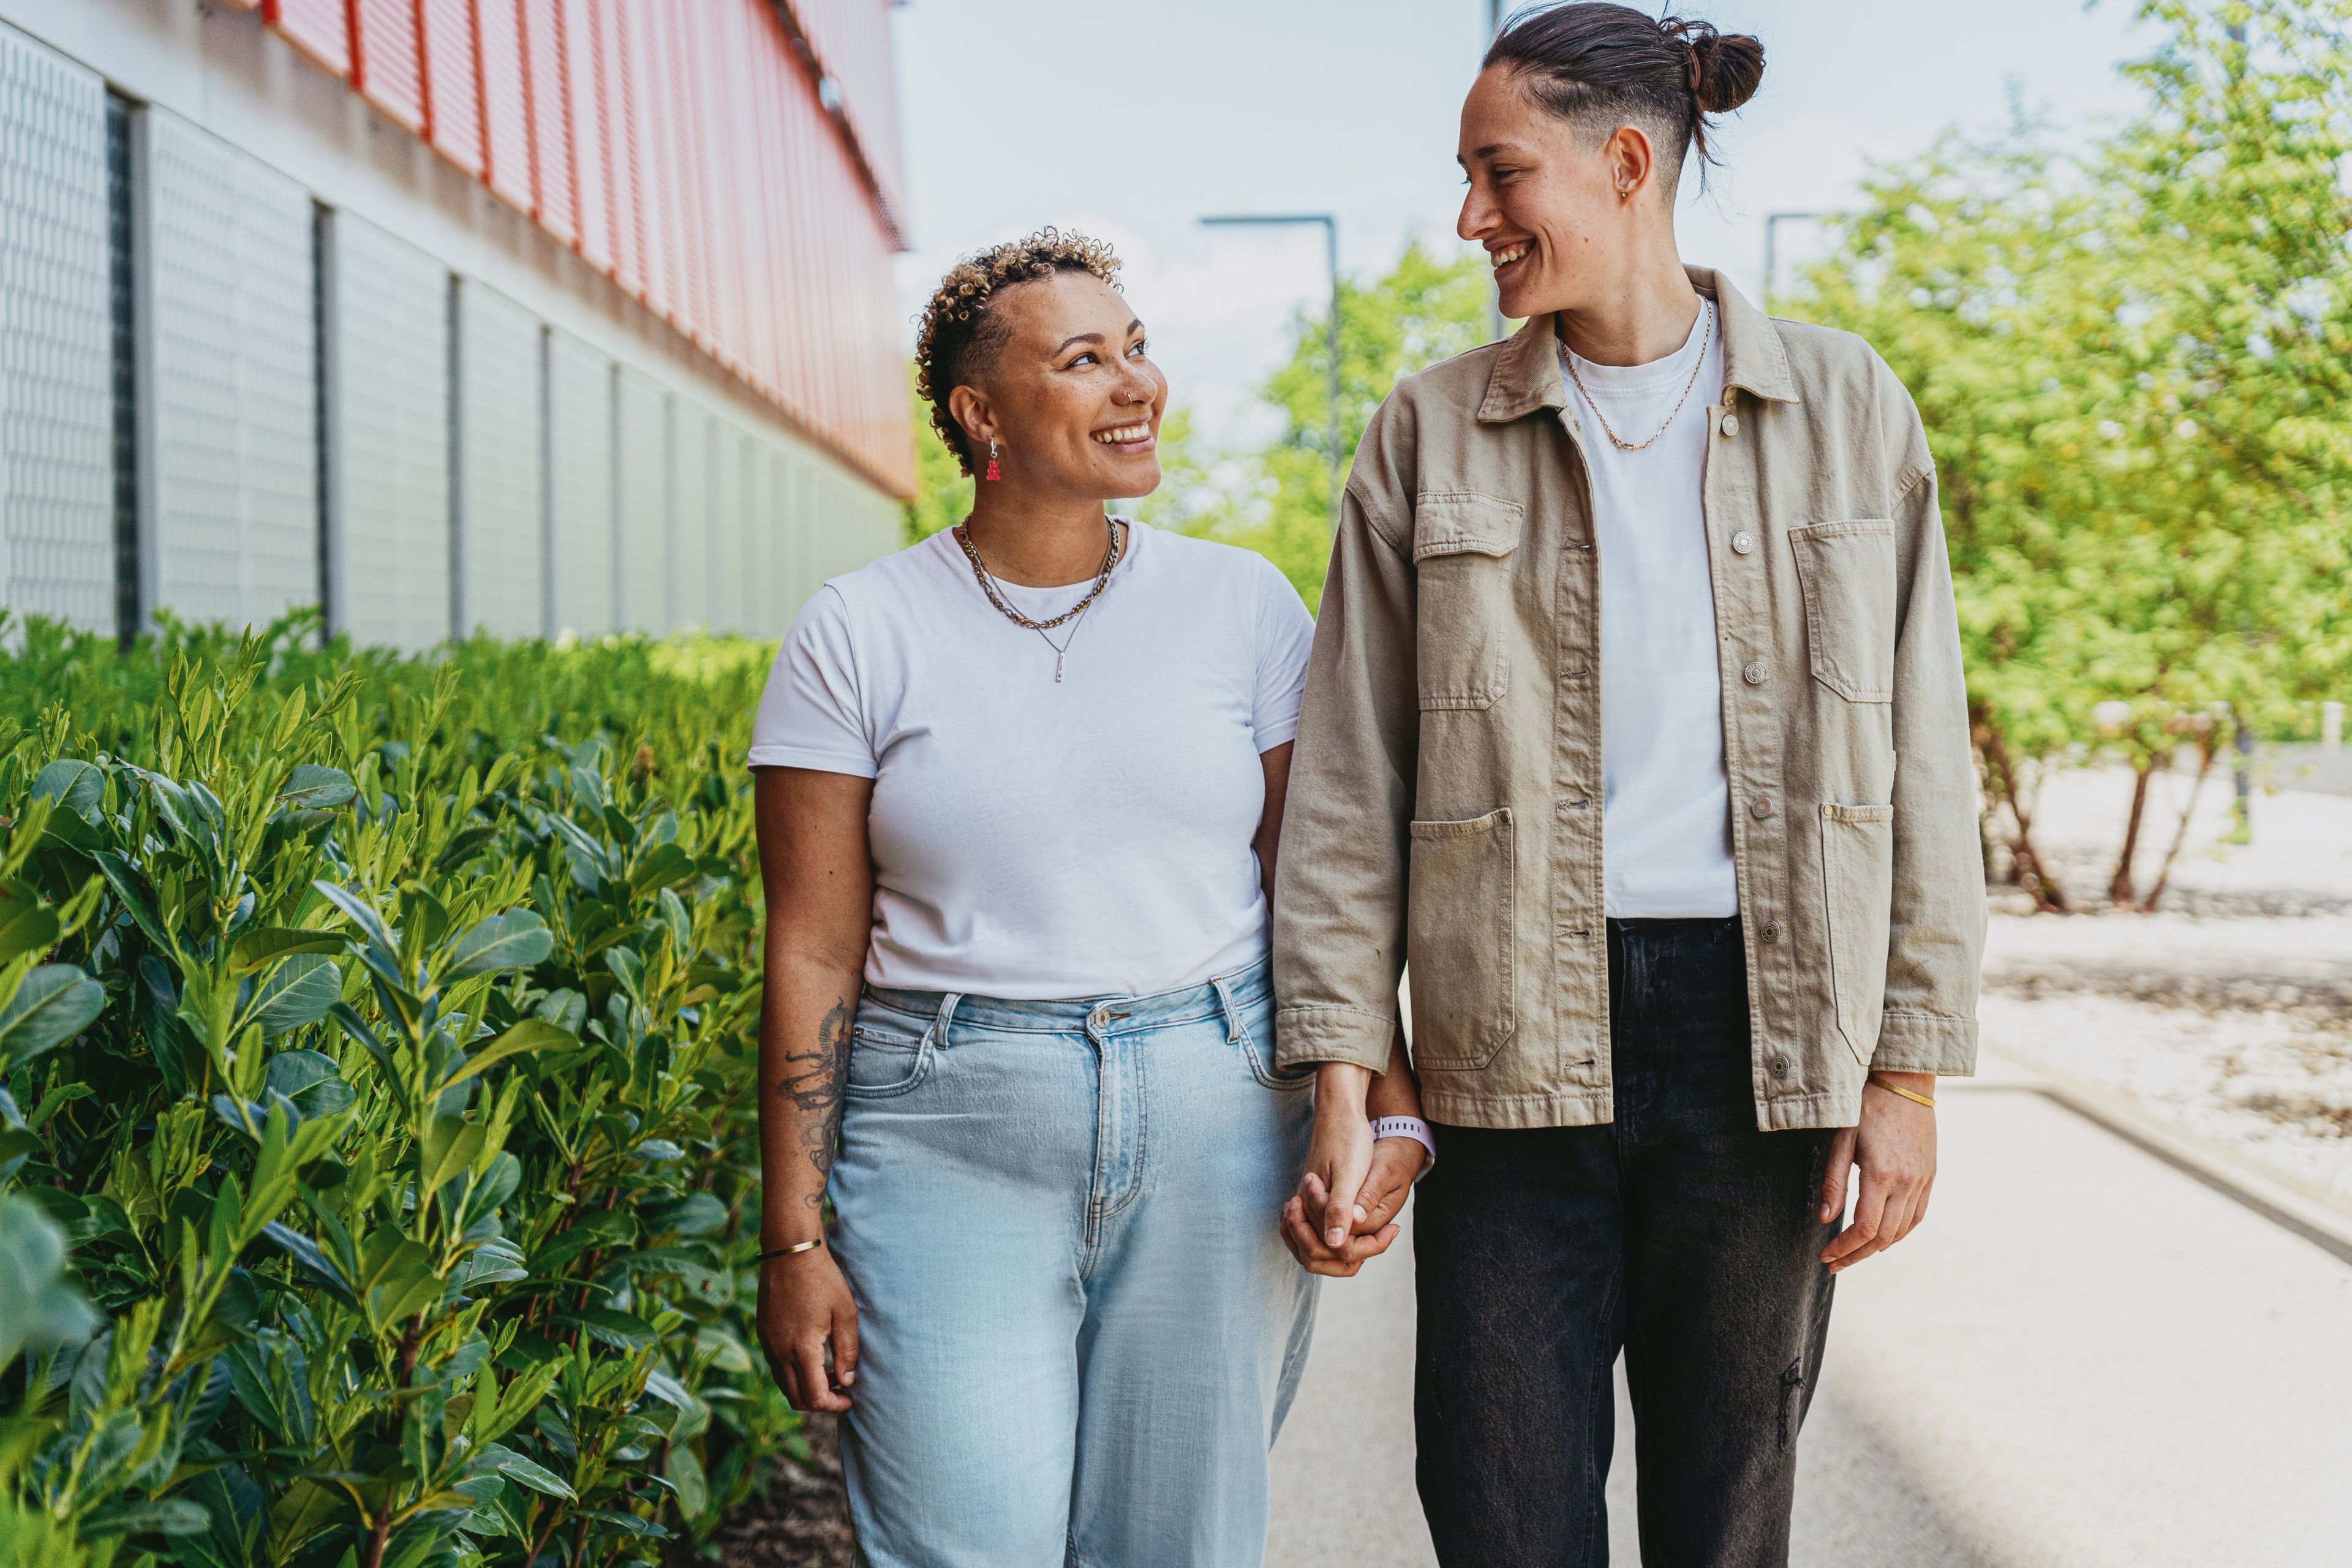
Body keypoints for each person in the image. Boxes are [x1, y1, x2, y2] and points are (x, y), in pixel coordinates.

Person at [1272, 7, 1986, 1566]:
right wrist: (1344, 1061)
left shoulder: (1850, 410)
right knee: (1499, 1505)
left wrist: (1910, 1068)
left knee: (1726, 1517)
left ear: (1627, 160)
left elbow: (1926, 750)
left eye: (1497, 174)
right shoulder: (1425, 433)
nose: (1471, 218)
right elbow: (1347, 777)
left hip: (1765, 1034)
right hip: (1504, 1033)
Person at [745, 228, 1432, 1568]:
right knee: (963, 1540)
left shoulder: (1243, 605)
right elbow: (814, 948)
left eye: (1138, 347)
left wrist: (1387, 1097)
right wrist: (793, 1237)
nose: (1138, 384)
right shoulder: (858, 629)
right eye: (1084, 359)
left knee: (1177, 1544)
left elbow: (1316, 894)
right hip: (946, 1127)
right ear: (980, 412)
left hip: (1218, 1112)